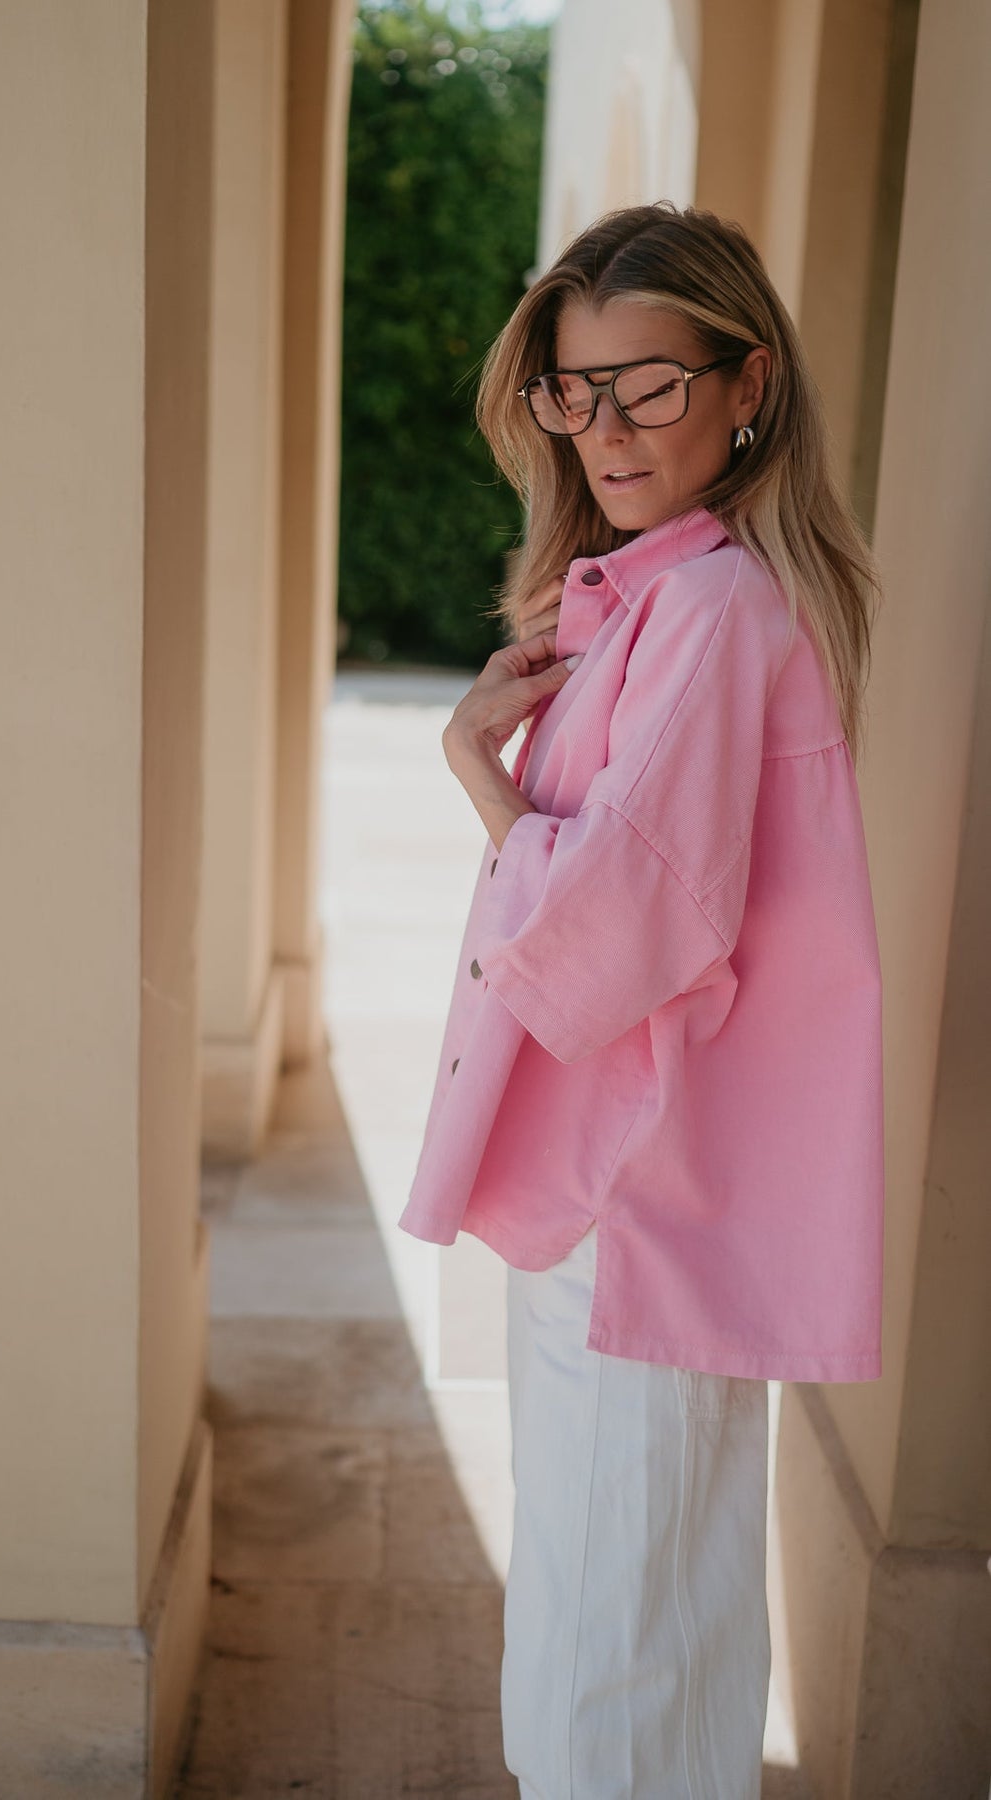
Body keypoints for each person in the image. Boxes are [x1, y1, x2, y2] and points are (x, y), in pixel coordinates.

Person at [396, 201, 885, 1800]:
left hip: (634, 1197)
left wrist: (480, 771)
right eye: (573, 389)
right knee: (646, 1627)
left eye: (648, 385)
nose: (603, 429)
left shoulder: (710, 613)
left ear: (748, 386)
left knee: (604, 1658)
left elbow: (620, 930)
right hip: (640, 1191)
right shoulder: (673, 602)